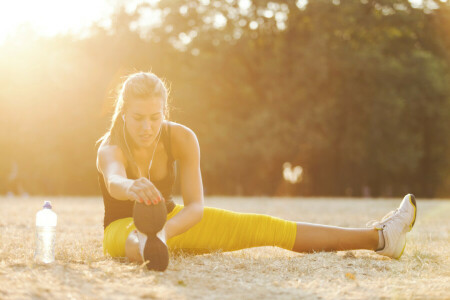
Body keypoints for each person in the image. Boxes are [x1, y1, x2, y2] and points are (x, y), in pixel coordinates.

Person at [96, 72, 417, 271]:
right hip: (122, 228)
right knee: (137, 242)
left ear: (164, 110)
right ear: (124, 113)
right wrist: (130, 187)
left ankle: (381, 238)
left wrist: (165, 232)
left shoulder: (182, 137)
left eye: (155, 116)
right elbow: (113, 179)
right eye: (138, 117)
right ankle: (148, 250)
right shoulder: (110, 146)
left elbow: (195, 206)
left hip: (173, 221)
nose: (147, 126)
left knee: (267, 227)